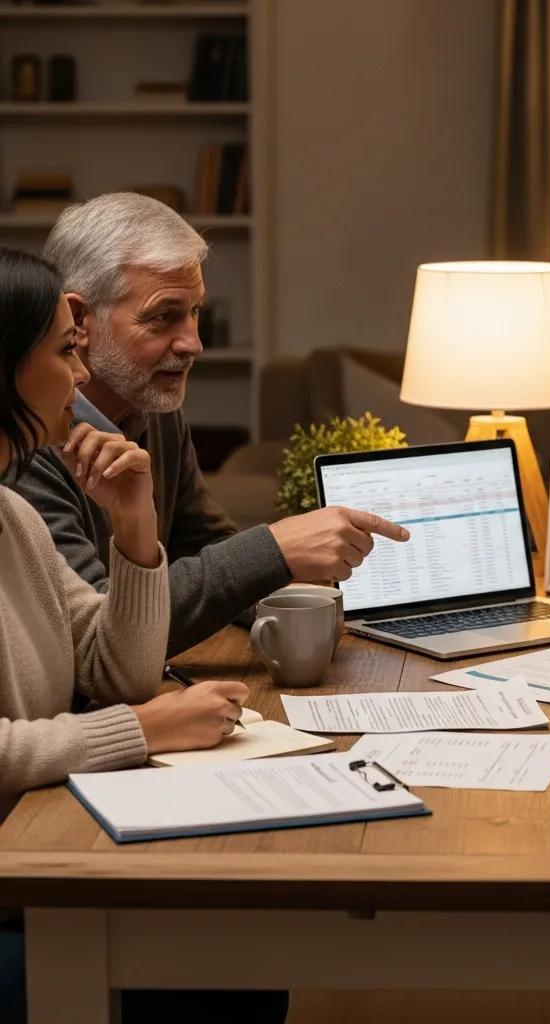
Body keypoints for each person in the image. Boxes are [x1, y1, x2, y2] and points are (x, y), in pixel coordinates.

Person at [0, 247, 287, 1022]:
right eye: (65, 351)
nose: (83, 377)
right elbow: (129, 704)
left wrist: (135, 525)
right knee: (219, 975)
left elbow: (120, 668)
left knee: (242, 963)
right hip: (21, 887)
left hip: (35, 858)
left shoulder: (13, 517)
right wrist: (136, 730)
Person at [8, 192, 409, 657]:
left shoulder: (155, 410)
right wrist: (275, 549)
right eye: (163, 317)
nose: (193, 343)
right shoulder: (26, 442)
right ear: (79, 320)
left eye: (196, 311)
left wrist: (323, 607)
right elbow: (102, 633)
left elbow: (205, 546)